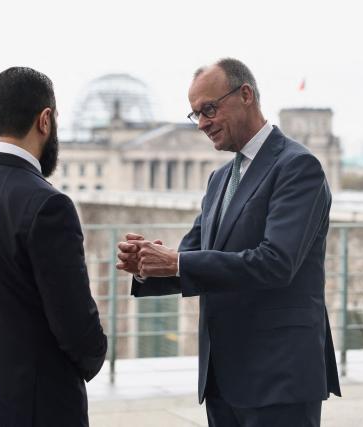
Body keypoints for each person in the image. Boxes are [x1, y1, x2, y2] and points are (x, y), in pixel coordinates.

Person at [117, 58, 341, 426]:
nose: (202, 123)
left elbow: (276, 262)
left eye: (209, 109)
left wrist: (176, 262)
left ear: (246, 95)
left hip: (278, 377)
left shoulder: (298, 166)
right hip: (222, 376)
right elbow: (192, 256)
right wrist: (146, 264)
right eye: (196, 115)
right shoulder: (220, 178)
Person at [0, 66, 107, 427]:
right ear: (45, 120)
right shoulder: (48, 204)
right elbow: (74, 322)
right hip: (33, 406)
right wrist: (92, 359)